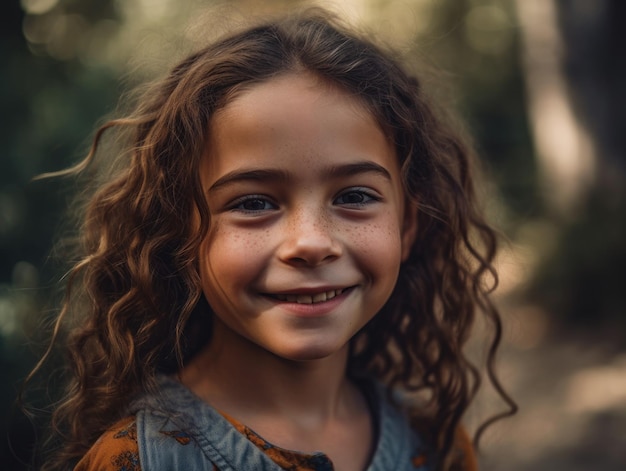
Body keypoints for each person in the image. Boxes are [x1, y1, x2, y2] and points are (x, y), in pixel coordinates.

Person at [32, 8, 515, 471]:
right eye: (254, 203)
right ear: (182, 236)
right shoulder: (135, 460)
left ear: (408, 226)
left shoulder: (434, 445)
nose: (310, 242)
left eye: (354, 195)